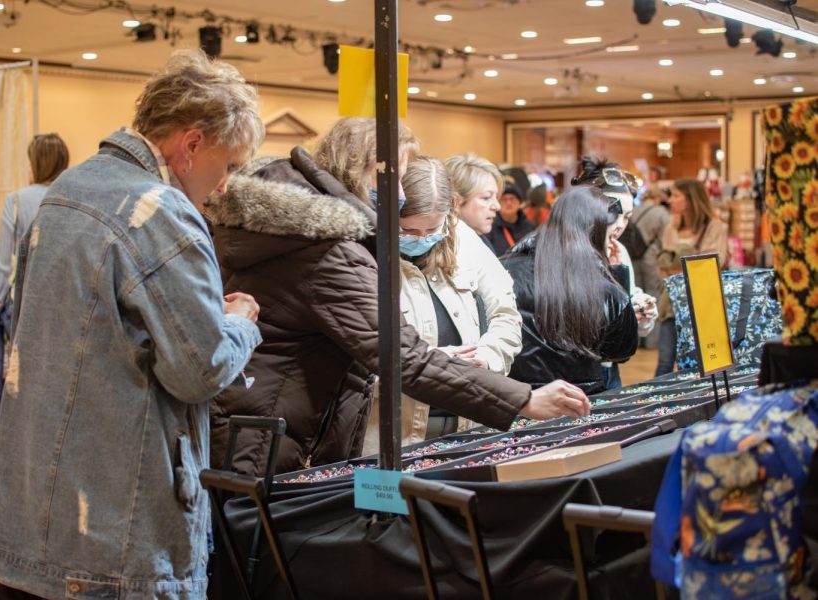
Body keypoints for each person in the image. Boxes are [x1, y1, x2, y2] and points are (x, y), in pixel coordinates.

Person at [0, 49, 264, 600]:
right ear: (191, 145)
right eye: (229, 166)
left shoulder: (69, 189)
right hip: (119, 537)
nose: (226, 185)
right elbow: (199, 370)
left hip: (34, 517)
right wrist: (241, 322)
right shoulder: (164, 213)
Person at [206, 117, 589, 476]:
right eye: (393, 178)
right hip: (267, 434)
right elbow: (403, 357)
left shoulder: (291, 231)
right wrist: (524, 400)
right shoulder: (325, 249)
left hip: (254, 419)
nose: (401, 194)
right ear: (360, 171)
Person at [392, 156, 523, 442]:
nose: (420, 238)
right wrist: (427, 363)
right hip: (393, 429)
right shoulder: (367, 252)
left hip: (465, 421)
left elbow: (506, 313)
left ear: (450, 211)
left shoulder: (464, 239)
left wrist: (488, 357)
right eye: (408, 230)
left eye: (431, 230)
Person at [502, 186, 639, 393]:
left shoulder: (503, 268)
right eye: (608, 235)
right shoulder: (599, 285)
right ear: (594, 230)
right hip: (577, 401)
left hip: (516, 397)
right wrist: (615, 274)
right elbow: (621, 349)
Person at [571, 157, 657, 389]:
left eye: (627, 217)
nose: (620, 224)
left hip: (610, 368)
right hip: (572, 373)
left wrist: (639, 310)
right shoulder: (567, 253)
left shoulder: (618, 250)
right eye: (613, 213)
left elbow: (626, 297)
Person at [655, 178, 728, 376]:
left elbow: (712, 265)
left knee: (701, 363)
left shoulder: (714, 227)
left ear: (691, 198)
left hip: (702, 305)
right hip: (671, 303)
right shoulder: (671, 228)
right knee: (665, 361)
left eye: (676, 195)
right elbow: (663, 267)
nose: (670, 200)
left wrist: (677, 268)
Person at [0, 133, 69, 307]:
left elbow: (3, 263)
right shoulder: (73, 200)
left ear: (36, 164)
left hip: (24, 301)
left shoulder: (16, 200)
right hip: (64, 302)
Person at [631, 186, 672, 349]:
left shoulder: (633, 210)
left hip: (633, 256)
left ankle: (636, 339)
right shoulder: (660, 213)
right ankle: (651, 341)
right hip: (651, 257)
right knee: (651, 297)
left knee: (635, 296)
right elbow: (665, 237)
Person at [445, 153, 502, 252]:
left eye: (496, 197)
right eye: (486, 197)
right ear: (455, 202)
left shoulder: (479, 241)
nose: (497, 206)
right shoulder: (446, 253)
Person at [485, 184, 536, 256]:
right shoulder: (489, 228)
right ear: (498, 203)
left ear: (520, 202)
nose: (508, 203)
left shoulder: (530, 227)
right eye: (504, 199)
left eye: (512, 199)